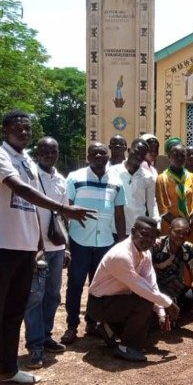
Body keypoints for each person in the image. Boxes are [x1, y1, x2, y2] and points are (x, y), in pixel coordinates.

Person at [0, 110, 95, 385]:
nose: (24, 132)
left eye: (27, 128)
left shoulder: (27, 159)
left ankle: (8, 369)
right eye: (18, 128)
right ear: (4, 129)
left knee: (14, 314)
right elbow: (22, 190)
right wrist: (65, 209)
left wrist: (40, 243)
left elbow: (33, 208)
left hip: (26, 249)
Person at [87, 216, 181, 362]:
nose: (148, 240)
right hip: (99, 304)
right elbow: (140, 287)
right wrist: (168, 303)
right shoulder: (121, 255)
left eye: (152, 237)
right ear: (133, 231)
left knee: (151, 312)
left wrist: (162, 312)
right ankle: (125, 346)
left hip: (118, 300)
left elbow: (151, 284)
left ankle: (110, 330)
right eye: (144, 234)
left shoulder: (145, 253)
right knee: (144, 303)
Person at [61, 143, 126, 345]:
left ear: (108, 156)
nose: (98, 155)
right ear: (87, 156)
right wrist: (66, 244)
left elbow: (120, 214)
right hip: (79, 240)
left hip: (106, 241)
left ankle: (92, 323)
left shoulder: (117, 181)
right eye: (94, 153)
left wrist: (121, 243)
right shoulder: (74, 177)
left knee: (98, 285)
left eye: (102, 153)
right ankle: (72, 326)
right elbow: (64, 210)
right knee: (75, 284)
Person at [23, 137, 68, 369]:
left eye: (54, 150)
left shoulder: (61, 179)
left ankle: (47, 336)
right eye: (45, 150)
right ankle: (35, 346)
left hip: (57, 248)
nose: (50, 154)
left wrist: (66, 247)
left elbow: (63, 215)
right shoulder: (29, 176)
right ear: (37, 152)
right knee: (34, 298)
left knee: (52, 296)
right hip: (34, 247)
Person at [155, 139, 193, 281]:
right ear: (169, 157)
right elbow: (162, 207)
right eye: (175, 154)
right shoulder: (162, 179)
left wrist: (189, 223)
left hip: (190, 228)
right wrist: (178, 227)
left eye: (182, 155)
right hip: (170, 229)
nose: (179, 157)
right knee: (170, 262)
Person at [108, 138, 161, 234]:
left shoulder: (148, 177)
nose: (139, 156)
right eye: (136, 152)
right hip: (113, 228)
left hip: (137, 229)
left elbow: (152, 204)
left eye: (142, 154)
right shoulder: (112, 172)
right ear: (129, 151)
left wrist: (157, 224)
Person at [151, 217, 193, 315]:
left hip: (176, 290)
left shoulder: (188, 248)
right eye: (177, 232)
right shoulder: (156, 246)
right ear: (170, 230)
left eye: (185, 233)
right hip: (156, 290)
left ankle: (171, 312)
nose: (181, 236)